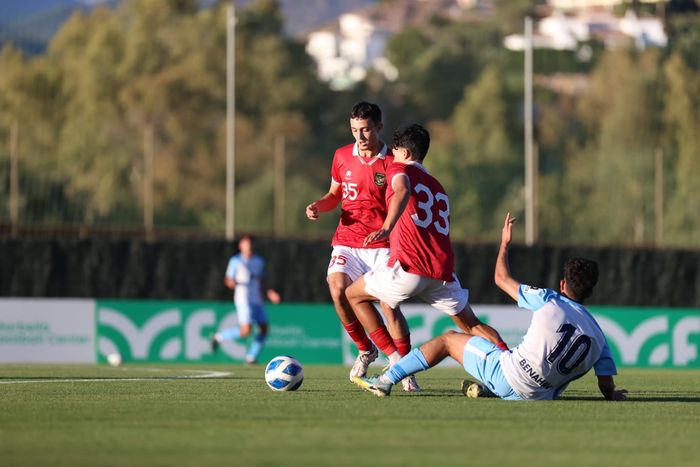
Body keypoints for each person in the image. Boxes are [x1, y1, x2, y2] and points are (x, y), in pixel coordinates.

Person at [353, 212, 628, 401]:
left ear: (562, 284)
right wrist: (613, 395)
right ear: (591, 291)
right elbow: (606, 385)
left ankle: (387, 379)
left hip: (508, 376)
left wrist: (504, 245)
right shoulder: (601, 338)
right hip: (538, 398)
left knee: (449, 340)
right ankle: (490, 390)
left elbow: (501, 279)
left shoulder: (549, 299)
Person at [345, 124, 509, 381]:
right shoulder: (437, 186)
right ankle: (510, 364)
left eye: (396, 151)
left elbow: (402, 189)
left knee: (352, 295)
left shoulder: (399, 168)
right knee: (472, 325)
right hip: (441, 273)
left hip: (409, 268)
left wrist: (387, 227)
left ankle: (396, 361)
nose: (393, 156)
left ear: (406, 153)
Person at [306, 102, 419, 391]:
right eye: (355, 129)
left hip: (382, 244)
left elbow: (401, 193)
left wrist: (388, 226)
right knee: (337, 289)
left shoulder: (391, 161)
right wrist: (320, 205)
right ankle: (366, 349)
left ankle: (405, 366)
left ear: (379, 127)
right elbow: (335, 194)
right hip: (347, 241)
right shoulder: (341, 156)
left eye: (366, 129)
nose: (361, 135)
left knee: (388, 306)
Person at [211, 235, 281, 364]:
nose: (249, 246)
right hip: (243, 299)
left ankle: (251, 357)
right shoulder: (236, 261)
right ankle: (219, 336)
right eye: (246, 244)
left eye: (250, 244)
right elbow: (228, 279)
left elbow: (262, 280)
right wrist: (231, 282)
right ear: (240, 246)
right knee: (246, 331)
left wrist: (269, 292)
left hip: (257, 299)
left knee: (264, 328)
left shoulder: (259, 261)